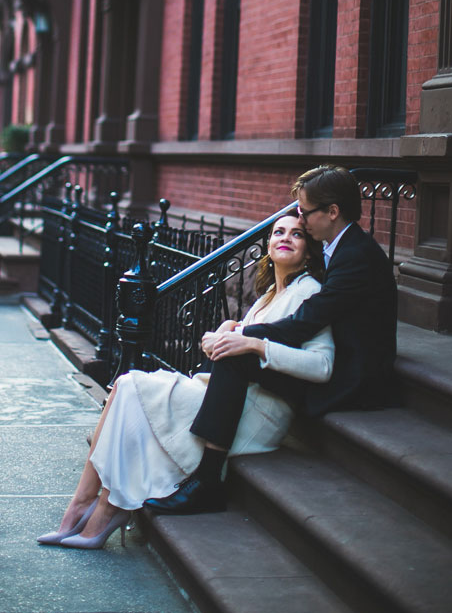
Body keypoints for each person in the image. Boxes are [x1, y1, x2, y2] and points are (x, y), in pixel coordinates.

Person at [36, 210, 333, 549]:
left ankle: (102, 510)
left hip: (258, 412)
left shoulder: (309, 292)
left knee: (132, 387)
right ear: (267, 244)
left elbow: (322, 365)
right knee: (125, 385)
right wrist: (226, 332)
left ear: (310, 251)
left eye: (296, 235)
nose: (284, 238)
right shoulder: (269, 295)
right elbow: (243, 340)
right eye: (278, 232)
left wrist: (256, 345)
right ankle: (86, 503)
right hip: (231, 399)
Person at [145, 165, 398, 517]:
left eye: (304, 211)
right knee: (233, 348)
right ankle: (197, 448)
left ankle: (206, 481)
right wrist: (236, 336)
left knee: (236, 352)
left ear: (332, 212)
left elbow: (304, 323)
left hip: (353, 379)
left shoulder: (356, 257)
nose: (299, 218)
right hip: (339, 357)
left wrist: (242, 337)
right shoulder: (338, 247)